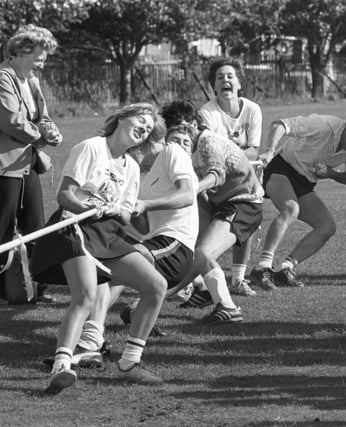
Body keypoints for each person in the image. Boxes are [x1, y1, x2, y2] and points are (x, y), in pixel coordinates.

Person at [30, 103, 168, 394]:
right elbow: (65, 195)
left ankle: (130, 363)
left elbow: (128, 216)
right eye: (140, 121)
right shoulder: (91, 148)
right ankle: (61, 366)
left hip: (108, 233)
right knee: (87, 295)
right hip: (75, 227)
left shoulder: (131, 166)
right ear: (121, 119)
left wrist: (115, 210)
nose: (143, 129)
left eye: (148, 128)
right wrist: (88, 206)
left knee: (156, 285)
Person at [64, 123, 200, 367]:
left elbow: (188, 195)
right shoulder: (137, 171)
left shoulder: (173, 152)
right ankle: (93, 342)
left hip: (175, 244)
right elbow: (138, 224)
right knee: (108, 268)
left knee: (112, 267)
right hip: (153, 240)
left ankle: (95, 340)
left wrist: (146, 204)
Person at [249, 110, 346, 290]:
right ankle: (262, 268)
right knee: (291, 209)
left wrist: (331, 173)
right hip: (281, 168)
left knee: (327, 227)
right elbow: (279, 124)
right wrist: (269, 151)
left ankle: (285, 269)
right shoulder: (323, 125)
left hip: (305, 182)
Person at [171, 127, 264, 323]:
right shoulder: (178, 163)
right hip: (223, 204)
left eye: (185, 141)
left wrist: (197, 187)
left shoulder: (207, 147)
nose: (180, 145)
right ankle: (205, 290)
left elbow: (217, 174)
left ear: (193, 141)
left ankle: (228, 307)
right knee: (197, 253)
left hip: (243, 202)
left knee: (203, 253)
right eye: (174, 141)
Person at [0, 25, 61, 303]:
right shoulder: (3, 77)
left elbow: (42, 116)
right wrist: (40, 138)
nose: (43, 62)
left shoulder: (32, 79)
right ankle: (4, 289)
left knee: (37, 226)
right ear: (22, 51)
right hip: (5, 166)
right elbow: (10, 120)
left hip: (29, 163)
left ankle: (37, 287)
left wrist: (51, 131)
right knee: (3, 227)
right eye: (39, 56)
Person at [198, 58, 263, 298]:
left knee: (246, 230)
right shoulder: (207, 113)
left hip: (247, 181)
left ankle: (238, 279)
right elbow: (211, 154)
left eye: (230, 76)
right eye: (219, 77)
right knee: (204, 230)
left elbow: (254, 150)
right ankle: (196, 283)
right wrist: (235, 153)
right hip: (215, 183)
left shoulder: (253, 109)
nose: (225, 80)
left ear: (239, 83)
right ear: (213, 86)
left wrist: (231, 153)